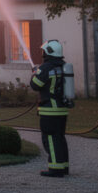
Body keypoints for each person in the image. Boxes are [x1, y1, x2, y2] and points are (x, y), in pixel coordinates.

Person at [31, 39, 71, 177]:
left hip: (49, 109)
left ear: (48, 52)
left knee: (50, 138)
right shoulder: (64, 65)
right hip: (62, 108)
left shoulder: (46, 67)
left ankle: (55, 168)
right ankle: (64, 166)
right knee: (59, 137)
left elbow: (35, 85)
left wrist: (35, 73)